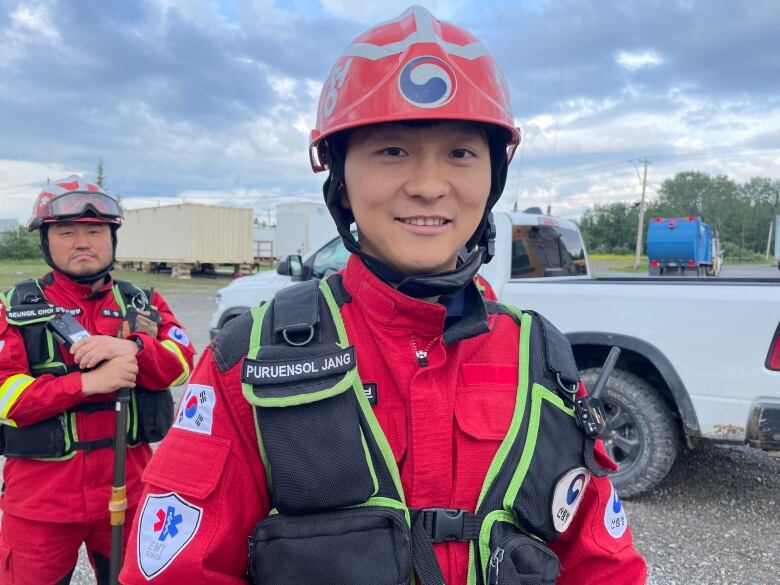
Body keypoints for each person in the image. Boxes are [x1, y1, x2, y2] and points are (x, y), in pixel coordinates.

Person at [120, 6, 647, 584]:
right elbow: (176, 572)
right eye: (392, 150)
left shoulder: (538, 356)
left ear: (494, 175)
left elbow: (602, 562)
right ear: (339, 177)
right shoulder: (249, 358)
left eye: (461, 152)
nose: (427, 185)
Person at [0, 176, 195, 584]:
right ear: (46, 241)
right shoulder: (12, 310)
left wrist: (136, 349)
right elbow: (6, 398)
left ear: (112, 238)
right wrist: (87, 384)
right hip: (39, 505)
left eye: (94, 231)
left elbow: (182, 363)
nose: (81, 242)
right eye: (67, 232)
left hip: (130, 491)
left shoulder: (142, 302)